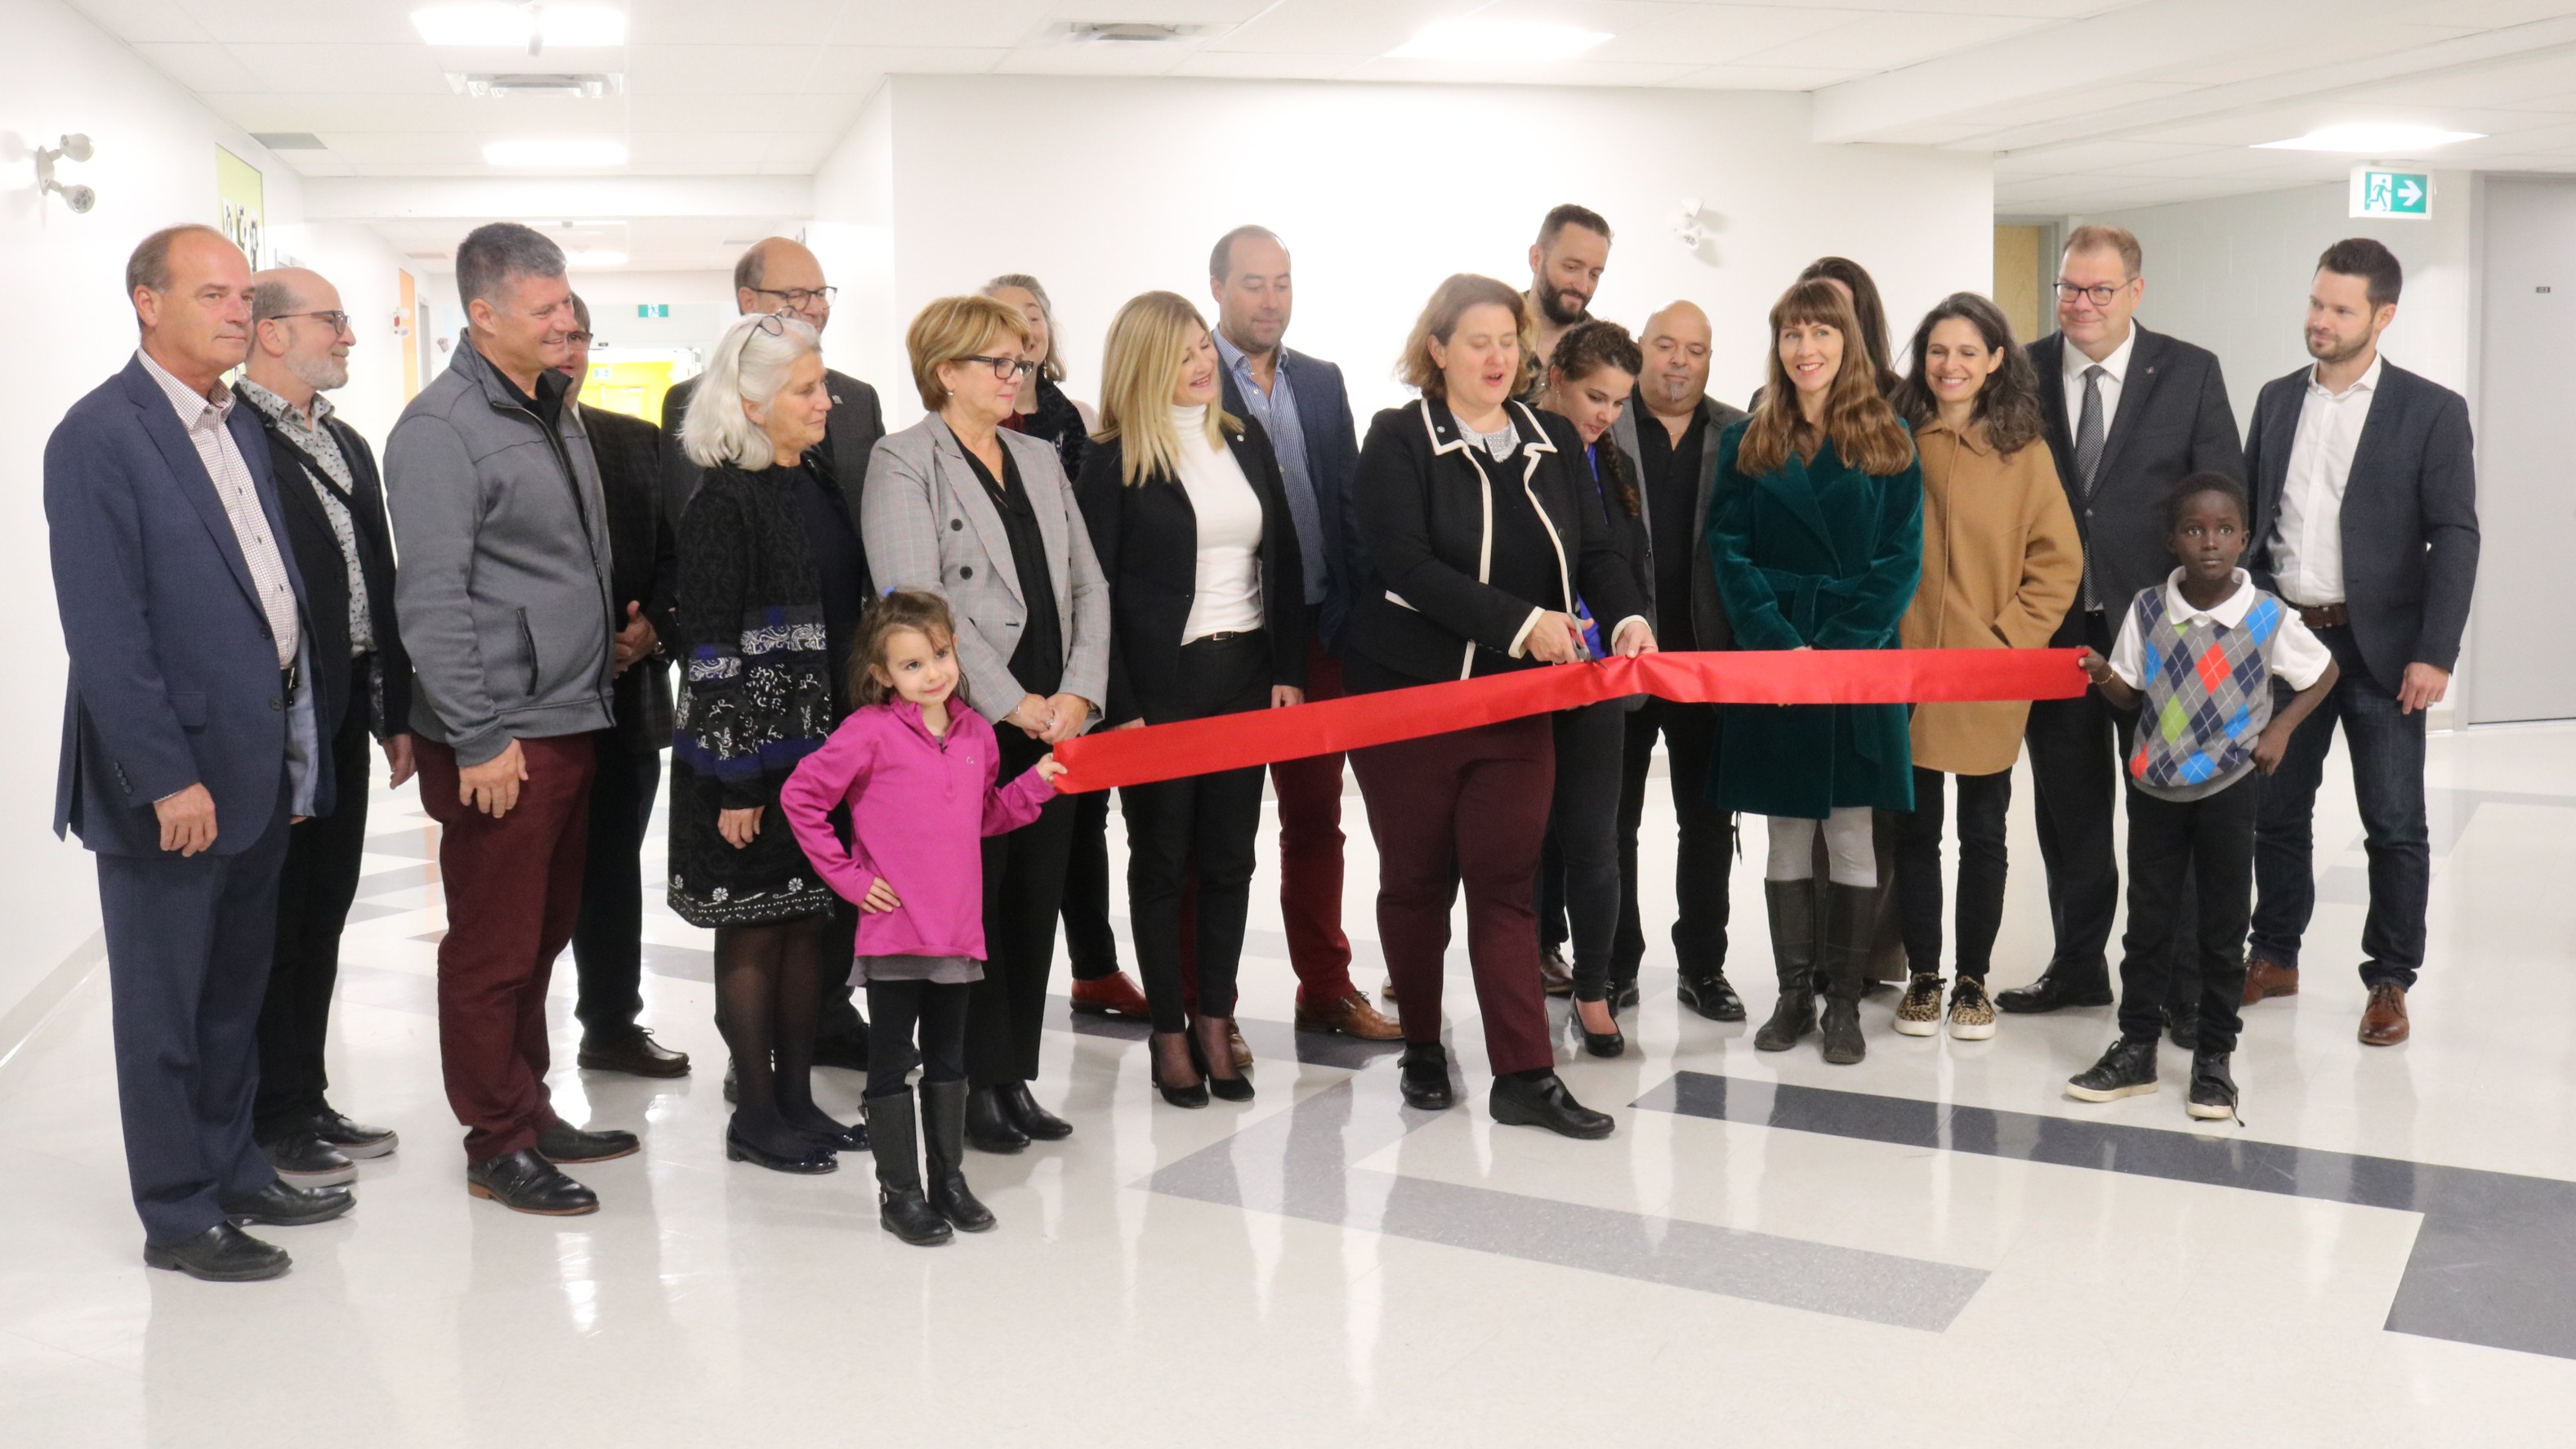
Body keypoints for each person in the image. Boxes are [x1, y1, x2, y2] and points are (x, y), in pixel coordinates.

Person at [47, 225, 349, 1281]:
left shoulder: (237, 425)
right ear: (146, 301)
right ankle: (178, 1211)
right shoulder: (100, 435)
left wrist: (299, 749)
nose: (239, 311)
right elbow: (107, 631)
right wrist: (166, 774)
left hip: (259, 763)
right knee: (166, 1009)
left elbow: (272, 601)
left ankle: (234, 1167)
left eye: (244, 295)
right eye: (216, 294)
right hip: (171, 784)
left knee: (234, 993)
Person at [1345, 274, 1654, 1139]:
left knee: (1506, 887)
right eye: (1476, 339)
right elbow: (1406, 566)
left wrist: (1627, 616)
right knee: (1415, 883)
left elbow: (1597, 548)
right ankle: (1422, 1048)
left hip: (1519, 709)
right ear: (1437, 348)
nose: (1495, 355)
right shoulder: (1397, 438)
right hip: (1409, 704)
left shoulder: (1552, 436)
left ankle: (1524, 1073)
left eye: (1508, 340)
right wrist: (1523, 625)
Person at [386, 221, 636, 1216]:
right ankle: (496, 1140)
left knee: (543, 935)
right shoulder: (441, 428)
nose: (564, 321)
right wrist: (479, 736)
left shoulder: (550, 406)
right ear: (482, 316)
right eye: (545, 310)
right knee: (491, 948)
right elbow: (432, 599)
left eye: (568, 305)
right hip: (503, 736)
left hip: (572, 714)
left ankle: (531, 1108)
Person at [863, 294, 1108, 1154]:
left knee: (1036, 898)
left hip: (1054, 715)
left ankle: (1011, 1079)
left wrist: (1079, 692)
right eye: (998, 364)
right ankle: (965, 1088)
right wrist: (1015, 703)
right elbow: (915, 604)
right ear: (946, 372)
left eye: (1021, 362)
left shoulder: (1039, 456)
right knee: (973, 912)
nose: (1016, 377)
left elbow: (1089, 585)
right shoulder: (902, 460)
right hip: (965, 719)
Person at [2001, 225, 2243, 1039]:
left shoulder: (2190, 372)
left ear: (2136, 292)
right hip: (2060, 633)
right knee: (2068, 816)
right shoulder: (2023, 371)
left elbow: (2221, 496)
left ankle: (2180, 986)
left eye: (2101, 290)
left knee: (2167, 816)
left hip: (2162, 642)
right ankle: (2077, 968)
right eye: (2070, 287)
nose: (2082, 304)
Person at [2243, 238, 2480, 1046]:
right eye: (2316, 302)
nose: (2321, 320)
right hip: (2289, 645)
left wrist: (2437, 650)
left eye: (2341, 309)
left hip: (2383, 651)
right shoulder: (2277, 401)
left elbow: (2455, 535)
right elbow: (2254, 524)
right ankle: (2273, 955)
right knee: (2275, 813)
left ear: (2382, 317)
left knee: (2394, 822)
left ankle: (2389, 980)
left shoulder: (2430, 410)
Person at [1076, 291, 1310, 1105]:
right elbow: (1093, 589)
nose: (1203, 363)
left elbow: (1276, 566)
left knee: (1230, 859)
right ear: (1145, 365)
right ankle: (1169, 1031)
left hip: (1244, 676)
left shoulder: (1240, 442)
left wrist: (1286, 669)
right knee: (1163, 862)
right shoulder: (1111, 460)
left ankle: (1218, 1019)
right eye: (1181, 354)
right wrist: (1122, 699)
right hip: (1161, 688)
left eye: (1201, 349)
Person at [663, 237, 886, 1075]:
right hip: (752, 759)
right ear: (755, 405)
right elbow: (714, 652)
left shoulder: (813, 480)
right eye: (807, 389)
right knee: (755, 925)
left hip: (819, 744)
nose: (827, 401)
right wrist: (737, 781)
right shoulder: (727, 501)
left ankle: (794, 1102)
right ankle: (756, 1108)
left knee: (804, 917)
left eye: (822, 383)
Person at [782, 591, 1064, 1244]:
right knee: (889, 1064)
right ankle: (898, 1190)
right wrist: (849, 878)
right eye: (911, 665)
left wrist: (1036, 784)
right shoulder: (867, 733)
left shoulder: (976, 734)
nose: (931, 672)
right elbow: (801, 796)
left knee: (948, 1061)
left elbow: (984, 815)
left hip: (957, 931)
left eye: (938, 655)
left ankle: (949, 1181)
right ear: (882, 674)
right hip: (895, 932)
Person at [2067, 476, 2337, 1118]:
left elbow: (2322, 671)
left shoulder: (2267, 615)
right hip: (2154, 785)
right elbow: (2130, 694)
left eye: (2222, 530)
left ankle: (2213, 1059)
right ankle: (2134, 1047)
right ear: (2171, 541)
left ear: (2244, 539)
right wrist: (2103, 673)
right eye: (2193, 530)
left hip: (2227, 785)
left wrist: (2279, 728)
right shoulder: (2147, 608)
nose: (2208, 543)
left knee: (2220, 926)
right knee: (2148, 920)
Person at [1710, 278, 1923, 1067]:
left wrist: (1834, 649)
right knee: (1785, 834)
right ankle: (1791, 992)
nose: (1807, 350)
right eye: (1793, 334)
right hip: (1773, 660)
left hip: (1855, 661)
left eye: (1822, 334)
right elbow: (1727, 552)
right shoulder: (1747, 441)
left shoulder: (1889, 439)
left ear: (1847, 344)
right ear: (1778, 345)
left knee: (1854, 832)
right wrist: (1773, 640)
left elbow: (1899, 563)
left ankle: (1843, 1001)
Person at [236, 266, 412, 1187]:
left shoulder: (344, 439)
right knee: (281, 920)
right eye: (331, 321)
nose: (348, 336)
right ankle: (269, 1114)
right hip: (280, 718)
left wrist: (395, 712)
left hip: (345, 704)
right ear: (272, 333)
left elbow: (375, 578)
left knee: (326, 910)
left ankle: (306, 1095)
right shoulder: (234, 441)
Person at [1208, 224, 1399, 1043]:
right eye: (1254, 283)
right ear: (1218, 287)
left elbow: (1349, 507)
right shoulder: (1188, 377)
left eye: (1282, 283)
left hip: (1322, 635)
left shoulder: (1319, 383)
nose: (1271, 300)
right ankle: (1207, 1005)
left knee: (1316, 820)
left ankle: (1324, 985)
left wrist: (1354, 618)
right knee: (1214, 833)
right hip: (1230, 644)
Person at [1887, 293, 2081, 1040]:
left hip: (1986, 673)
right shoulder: (1898, 438)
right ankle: (1923, 976)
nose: (1950, 365)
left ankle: (1973, 979)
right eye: (1938, 351)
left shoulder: (2023, 452)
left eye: (1968, 352)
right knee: (1912, 831)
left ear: (1996, 359)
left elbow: (2057, 563)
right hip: (1904, 673)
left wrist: (2006, 644)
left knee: (1983, 833)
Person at [981, 271, 1143, 1023]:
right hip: (998, 662)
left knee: (1084, 817)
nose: (1027, 329)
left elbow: (1091, 552)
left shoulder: (1073, 420)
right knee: (1013, 820)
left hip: (1077, 645)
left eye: (1035, 314)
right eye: (1009, 319)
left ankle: (1095, 965)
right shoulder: (960, 432)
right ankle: (1002, 993)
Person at [556, 294, 689, 1080]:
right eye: (553, 334)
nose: (568, 350)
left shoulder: (636, 444)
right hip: (531, 713)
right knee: (531, 887)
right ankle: (513, 1053)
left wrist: (653, 631)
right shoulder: (489, 447)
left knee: (611, 872)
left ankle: (610, 1023)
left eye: (579, 336)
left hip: (626, 703)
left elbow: (677, 560)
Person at [1605, 301, 1748, 1023]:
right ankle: (1615, 964)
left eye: (1695, 349)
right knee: (1611, 824)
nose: (1679, 361)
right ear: (1641, 349)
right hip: (1618, 665)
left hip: (1704, 663)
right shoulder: (1604, 423)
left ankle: (1704, 966)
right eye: (1665, 345)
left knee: (1707, 821)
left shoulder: (1737, 433)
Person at [1531, 320, 1649, 1056]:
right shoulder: (1522, 440)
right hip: (1517, 672)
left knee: (1595, 842)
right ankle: (1517, 975)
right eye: (1593, 394)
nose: (1604, 412)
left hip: (1594, 673)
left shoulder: (1607, 461)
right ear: (1555, 376)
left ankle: (1595, 990)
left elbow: (1608, 557)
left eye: (1617, 401)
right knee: (1515, 841)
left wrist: (1629, 613)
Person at [1522, 204, 1613, 392]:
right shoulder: (1490, 330)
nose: (1583, 286)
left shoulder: (1606, 354)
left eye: (1594, 275)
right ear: (1536, 259)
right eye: (1572, 267)